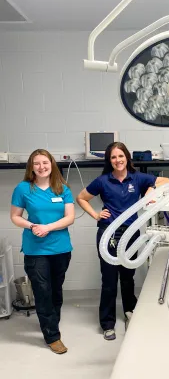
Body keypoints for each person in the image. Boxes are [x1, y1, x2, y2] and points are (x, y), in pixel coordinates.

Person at [76, 142, 169, 340]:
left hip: (131, 233)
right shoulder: (103, 181)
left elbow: (168, 181)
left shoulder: (137, 178)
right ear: (109, 161)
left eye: (121, 156)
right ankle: (107, 323)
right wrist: (96, 214)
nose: (118, 160)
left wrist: (149, 192)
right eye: (113, 157)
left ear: (127, 157)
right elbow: (81, 197)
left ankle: (130, 311)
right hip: (108, 234)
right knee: (109, 280)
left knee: (128, 276)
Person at [10, 149, 75, 354]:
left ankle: (51, 321)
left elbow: (69, 218)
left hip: (61, 248)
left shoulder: (62, 188)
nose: (41, 167)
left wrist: (47, 227)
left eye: (45, 162)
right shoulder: (23, 189)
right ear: (31, 167)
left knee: (56, 289)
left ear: (51, 164)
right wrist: (32, 226)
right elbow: (15, 216)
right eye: (36, 163)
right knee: (42, 290)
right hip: (36, 249)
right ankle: (52, 336)